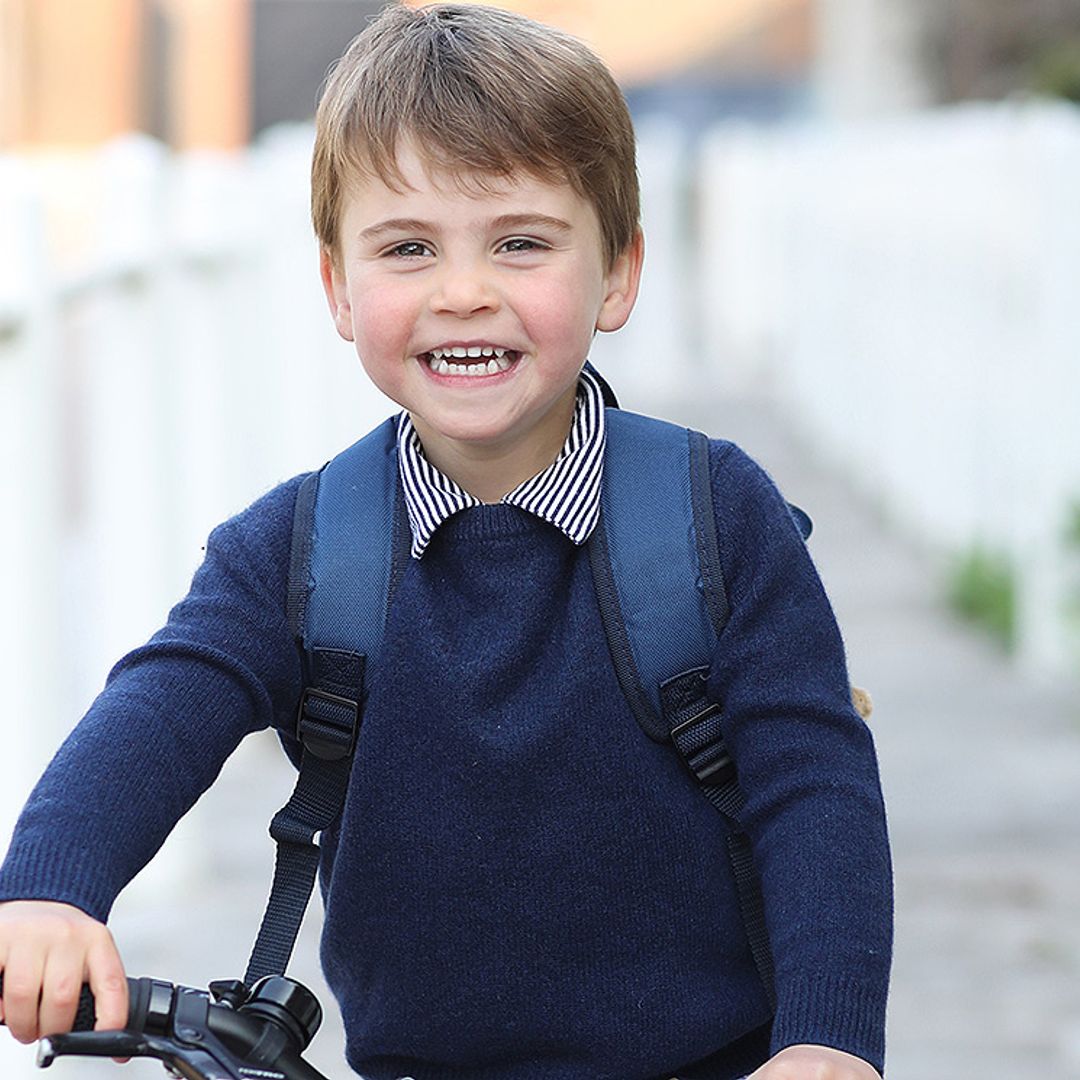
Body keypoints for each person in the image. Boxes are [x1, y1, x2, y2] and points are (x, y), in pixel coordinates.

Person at [0, 4, 892, 1078]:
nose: (463, 293)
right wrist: (50, 886)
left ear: (617, 273)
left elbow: (815, 782)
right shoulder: (296, 551)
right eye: (408, 248)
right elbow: (161, 704)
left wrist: (830, 1041)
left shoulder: (717, 515)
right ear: (339, 286)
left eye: (521, 243)